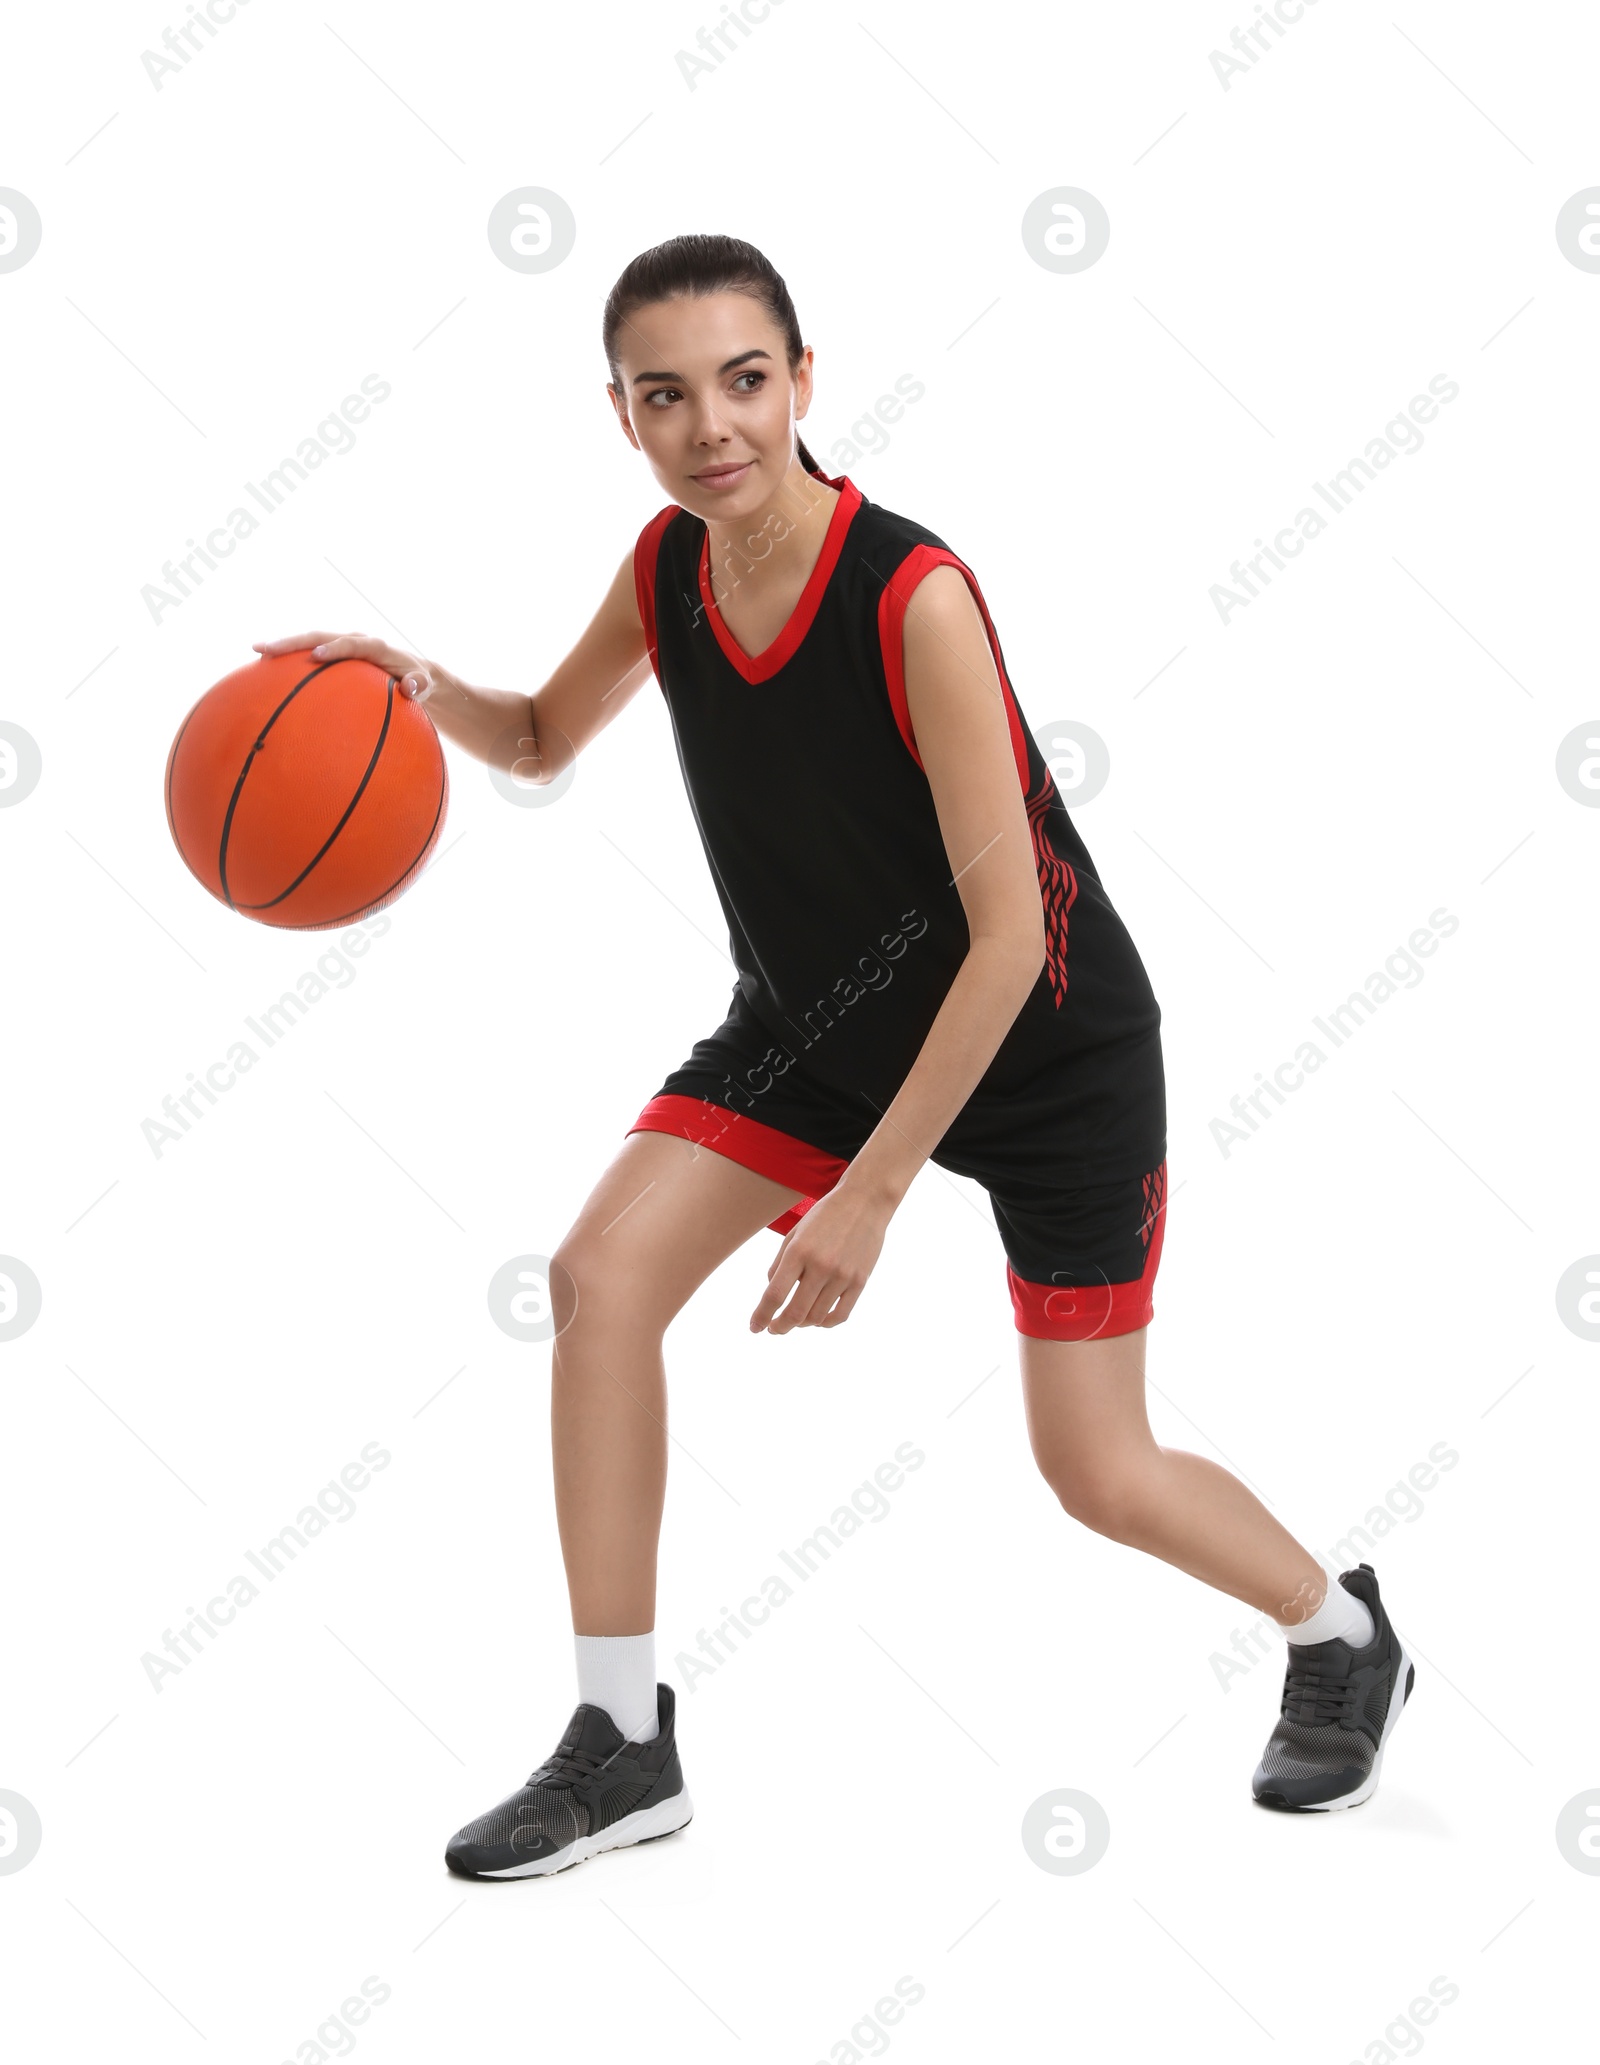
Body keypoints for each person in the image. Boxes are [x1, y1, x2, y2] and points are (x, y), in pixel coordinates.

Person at [255, 232, 1414, 1879]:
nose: (710, 425)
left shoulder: (910, 594)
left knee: (1096, 1469)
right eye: (667, 396)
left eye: (743, 380)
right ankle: (621, 1742)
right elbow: (530, 739)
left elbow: (1008, 940)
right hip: (812, 1023)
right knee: (599, 1282)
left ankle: (1339, 1629)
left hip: (1048, 1050)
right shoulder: (665, 567)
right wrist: (404, 682)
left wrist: (870, 1198)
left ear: (804, 380)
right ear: (624, 416)